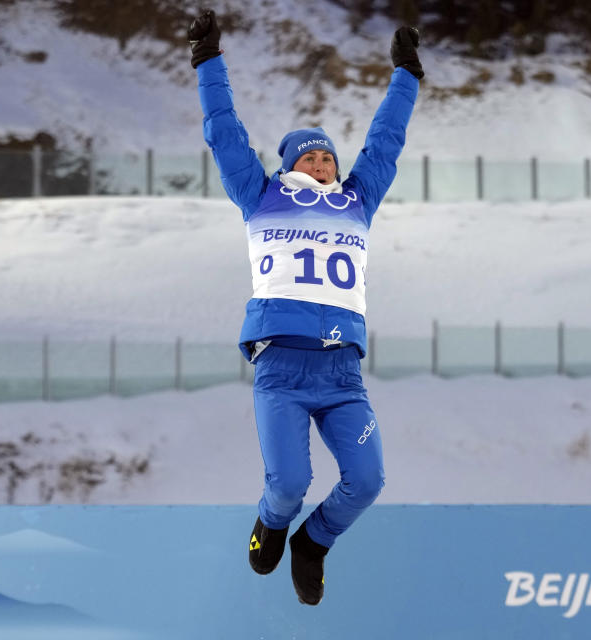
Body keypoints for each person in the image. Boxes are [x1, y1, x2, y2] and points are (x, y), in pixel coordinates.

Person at [187, 9, 423, 605]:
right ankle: (272, 522)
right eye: (309, 158)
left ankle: (313, 543)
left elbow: (386, 142)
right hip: (283, 366)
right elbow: (224, 132)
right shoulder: (262, 195)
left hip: (342, 370)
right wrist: (208, 61)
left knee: (367, 481)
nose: (321, 165)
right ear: (289, 164)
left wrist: (407, 77)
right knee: (290, 483)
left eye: (327, 159)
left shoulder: (356, 200)